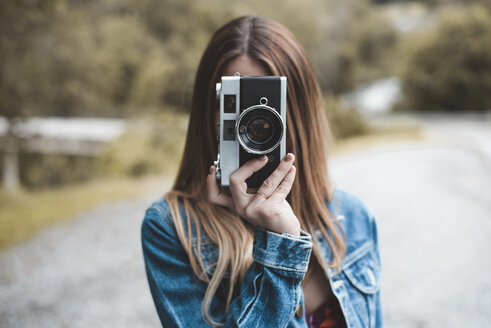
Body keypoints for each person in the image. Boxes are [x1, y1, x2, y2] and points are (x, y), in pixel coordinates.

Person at [141, 15, 384, 328]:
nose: (252, 123)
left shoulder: (353, 216)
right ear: (210, 110)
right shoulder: (173, 229)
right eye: (235, 101)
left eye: (266, 104)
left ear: (299, 108)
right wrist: (280, 247)